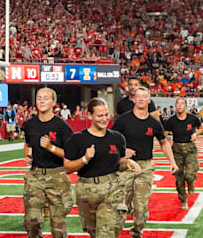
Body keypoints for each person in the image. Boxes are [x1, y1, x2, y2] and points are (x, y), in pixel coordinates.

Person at [65, 98, 141, 238]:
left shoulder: (117, 138)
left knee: (107, 233)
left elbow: (119, 164)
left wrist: (127, 163)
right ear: (89, 115)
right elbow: (67, 168)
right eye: (100, 115)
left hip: (112, 188)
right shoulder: (77, 139)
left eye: (106, 114)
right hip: (86, 191)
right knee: (93, 232)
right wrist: (84, 159)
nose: (105, 119)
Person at [112, 87, 178, 238]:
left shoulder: (154, 123)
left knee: (141, 205)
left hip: (145, 167)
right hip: (125, 165)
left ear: (149, 100)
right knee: (122, 202)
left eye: (144, 96)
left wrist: (172, 162)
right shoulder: (123, 120)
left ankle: (137, 232)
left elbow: (164, 142)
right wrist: (123, 151)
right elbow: (110, 139)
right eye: (138, 96)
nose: (141, 99)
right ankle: (126, 214)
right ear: (134, 99)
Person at [21, 87, 75, 238]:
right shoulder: (29, 124)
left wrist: (51, 147)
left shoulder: (62, 126)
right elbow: (27, 144)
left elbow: (71, 155)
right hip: (35, 175)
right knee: (31, 220)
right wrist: (28, 155)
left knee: (58, 227)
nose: (42, 101)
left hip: (57, 176)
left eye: (46, 98)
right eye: (39, 98)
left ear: (54, 102)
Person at [162, 97, 203, 209]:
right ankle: (183, 199)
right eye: (178, 103)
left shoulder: (193, 118)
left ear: (185, 106)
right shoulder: (171, 121)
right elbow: (164, 134)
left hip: (190, 148)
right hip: (177, 150)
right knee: (179, 177)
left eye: (182, 103)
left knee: (190, 173)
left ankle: (190, 182)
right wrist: (166, 139)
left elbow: (201, 128)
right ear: (175, 106)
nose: (179, 105)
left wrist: (195, 134)